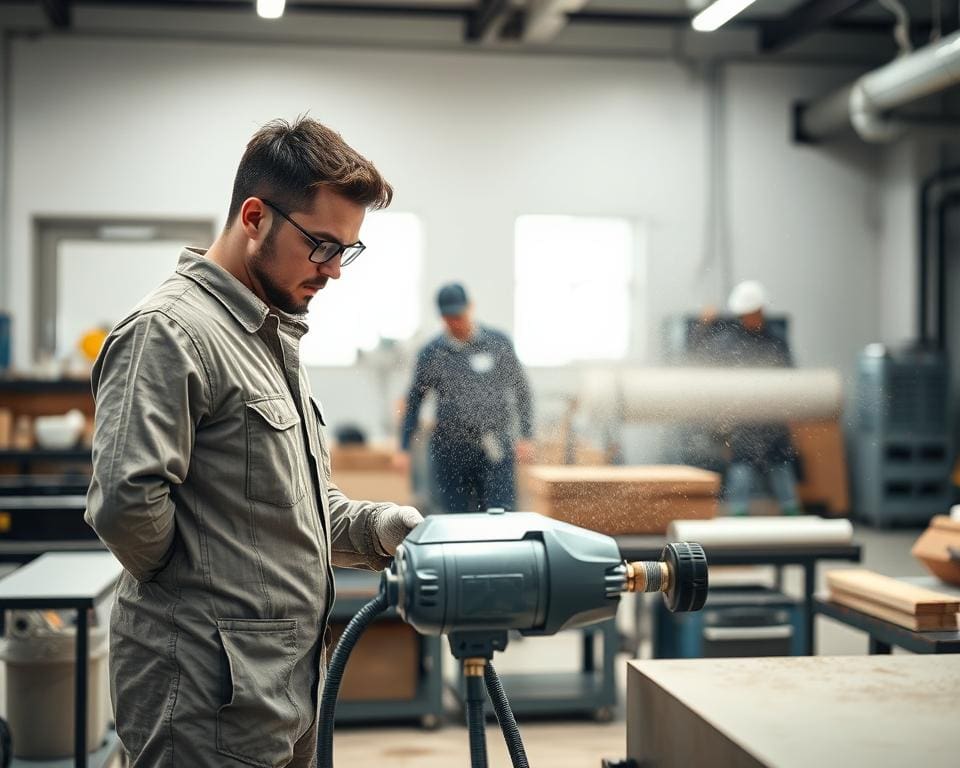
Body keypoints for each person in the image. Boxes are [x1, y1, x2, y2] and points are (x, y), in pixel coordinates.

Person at [85, 118, 423, 767]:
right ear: (254, 216)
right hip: (204, 699)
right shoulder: (171, 333)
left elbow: (295, 508)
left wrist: (384, 529)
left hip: (283, 688)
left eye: (346, 252)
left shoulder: (269, 338)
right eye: (322, 245)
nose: (333, 272)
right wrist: (195, 596)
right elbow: (127, 508)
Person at [396, 283, 534, 513]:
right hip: (450, 452)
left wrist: (526, 436)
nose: (455, 322)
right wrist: (403, 448)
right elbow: (414, 403)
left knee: (501, 516)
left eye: (459, 315)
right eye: (449, 317)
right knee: (453, 518)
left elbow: (522, 392)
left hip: (495, 448)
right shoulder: (432, 354)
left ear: (471, 307)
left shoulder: (498, 344)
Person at [695, 280, 802, 516]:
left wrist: (792, 413)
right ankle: (738, 516)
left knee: (781, 467)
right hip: (743, 418)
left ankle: (793, 513)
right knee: (741, 470)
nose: (748, 319)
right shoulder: (728, 342)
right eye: (744, 315)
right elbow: (704, 363)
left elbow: (790, 379)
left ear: (761, 311)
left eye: (752, 314)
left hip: (773, 417)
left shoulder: (776, 341)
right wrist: (703, 328)